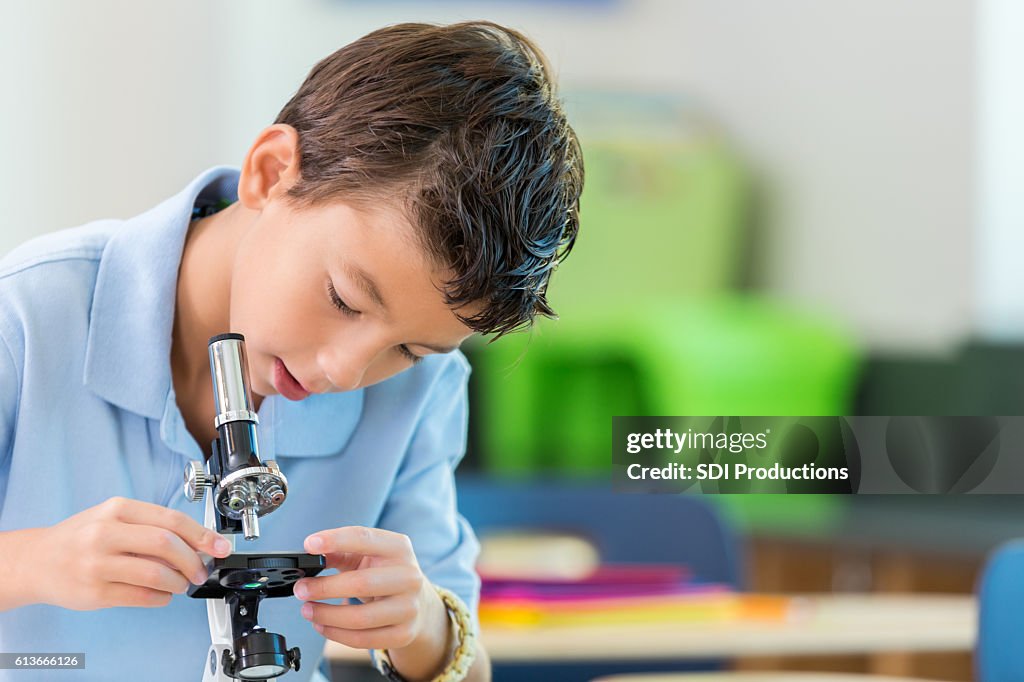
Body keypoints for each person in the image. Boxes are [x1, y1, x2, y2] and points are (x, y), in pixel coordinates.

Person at [0, 20, 582, 682]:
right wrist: (32, 562)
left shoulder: (424, 391)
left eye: (409, 349)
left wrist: (420, 621)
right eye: (344, 299)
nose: (346, 369)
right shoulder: (28, 315)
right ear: (271, 172)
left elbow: (468, 668)